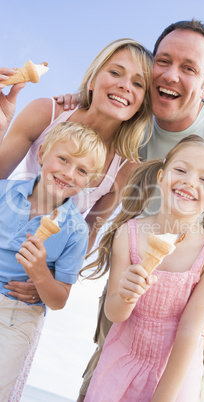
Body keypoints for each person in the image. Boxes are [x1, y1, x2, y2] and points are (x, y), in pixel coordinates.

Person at [61, 19, 204, 402]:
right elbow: (85, 179)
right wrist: (80, 103)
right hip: (131, 295)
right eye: (164, 61)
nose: (171, 75)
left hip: (193, 302)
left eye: (189, 68)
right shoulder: (132, 120)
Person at [0, 38, 153, 398]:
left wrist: (47, 279)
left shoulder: (126, 165)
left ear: (143, 101)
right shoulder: (48, 112)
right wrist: (4, 117)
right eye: (115, 72)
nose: (123, 86)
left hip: (26, 294)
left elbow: (91, 227)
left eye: (137, 83)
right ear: (93, 77)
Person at [81, 135, 204, 402]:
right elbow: (115, 313)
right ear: (161, 177)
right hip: (122, 361)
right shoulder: (127, 234)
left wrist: (162, 398)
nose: (190, 181)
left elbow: (190, 330)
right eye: (181, 169)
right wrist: (126, 295)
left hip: (174, 374)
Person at [0, 121, 107, 401]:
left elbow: (59, 300)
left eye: (82, 170)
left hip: (18, 315)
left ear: (91, 181)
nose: (68, 173)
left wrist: (39, 273)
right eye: (63, 159)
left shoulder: (76, 231)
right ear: (42, 154)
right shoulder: (4, 191)